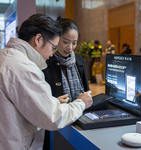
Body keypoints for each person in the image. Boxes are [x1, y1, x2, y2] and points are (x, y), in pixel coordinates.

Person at [0, 14, 92, 150]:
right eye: (53, 47)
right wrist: (81, 103)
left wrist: (50, 102)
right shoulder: (24, 68)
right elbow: (53, 117)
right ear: (39, 39)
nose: (52, 53)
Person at [42, 17, 90, 149]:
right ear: (57, 39)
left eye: (74, 43)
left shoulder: (78, 61)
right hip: (55, 125)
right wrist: (55, 101)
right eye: (66, 42)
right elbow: (40, 100)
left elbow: (86, 91)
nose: (70, 47)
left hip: (78, 121)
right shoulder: (46, 62)